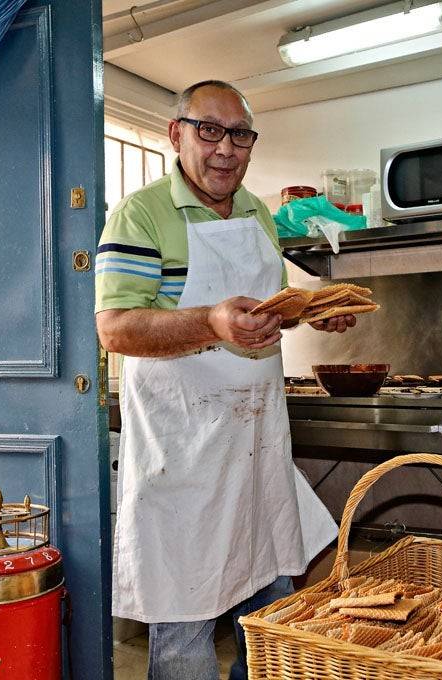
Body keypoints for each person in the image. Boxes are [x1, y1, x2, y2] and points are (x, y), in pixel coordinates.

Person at [95, 80, 356, 680]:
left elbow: (261, 311)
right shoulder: (140, 214)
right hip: (181, 460)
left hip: (256, 450)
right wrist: (211, 322)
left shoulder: (256, 211)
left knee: (268, 621)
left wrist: (312, 309)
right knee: (185, 626)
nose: (224, 149)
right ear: (175, 134)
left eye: (239, 135)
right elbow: (115, 329)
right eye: (207, 130)